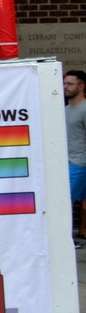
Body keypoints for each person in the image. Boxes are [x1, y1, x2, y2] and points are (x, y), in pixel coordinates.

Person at [67, 70, 86, 247]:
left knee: (66, 202)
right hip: (68, 162)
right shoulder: (65, 110)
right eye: (65, 83)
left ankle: (66, 240)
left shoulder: (84, 109)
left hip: (80, 163)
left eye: (70, 84)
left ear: (81, 87)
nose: (65, 87)